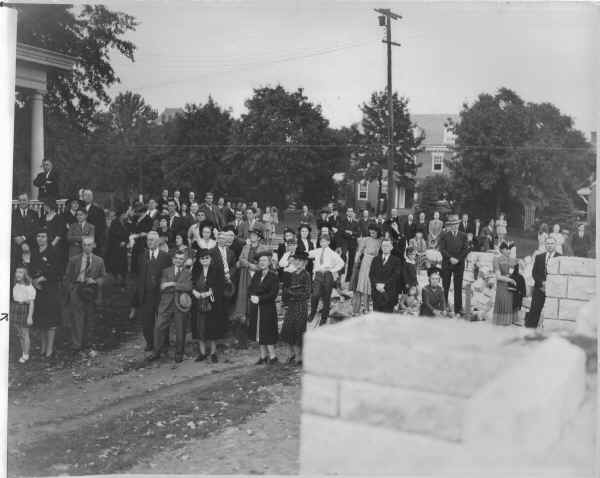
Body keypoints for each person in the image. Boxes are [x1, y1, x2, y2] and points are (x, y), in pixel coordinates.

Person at [148, 250, 193, 363]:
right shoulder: (166, 271)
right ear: (173, 259)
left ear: (184, 261)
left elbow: (188, 287)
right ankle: (156, 352)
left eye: (181, 259)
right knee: (158, 327)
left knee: (180, 330)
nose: (178, 260)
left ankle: (179, 354)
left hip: (181, 305)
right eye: (177, 258)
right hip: (166, 304)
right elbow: (162, 287)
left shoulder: (188, 273)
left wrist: (172, 284)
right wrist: (178, 286)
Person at [64, 236, 107, 351]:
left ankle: (88, 342)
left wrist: (95, 281)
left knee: (90, 317)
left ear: (93, 246)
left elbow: (104, 277)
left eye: (89, 245)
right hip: (77, 288)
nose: (87, 247)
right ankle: (76, 344)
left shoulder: (99, 260)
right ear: (82, 246)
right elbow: (67, 277)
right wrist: (71, 289)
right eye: (84, 245)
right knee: (77, 318)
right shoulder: (74, 260)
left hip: (91, 290)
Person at [132, 231, 172, 351]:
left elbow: (169, 274)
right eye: (148, 240)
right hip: (146, 294)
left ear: (158, 241)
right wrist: (138, 294)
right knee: (147, 321)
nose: (150, 242)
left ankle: (164, 342)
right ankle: (150, 343)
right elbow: (138, 277)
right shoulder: (142, 256)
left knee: (162, 319)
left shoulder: (165, 256)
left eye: (153, 240)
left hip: (160, 294)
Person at [232, 228, 269, 347]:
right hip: (246, 276)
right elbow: (241, 259)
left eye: (254, 235)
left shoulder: (263, 248)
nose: (252, 236)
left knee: (255, 301)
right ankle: (243, 337)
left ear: (258, 237)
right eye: (251, 235)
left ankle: (256, 334)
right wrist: (250, 265)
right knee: (244, 302)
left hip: (258, 276)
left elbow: (265, 262)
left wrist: (256, 266)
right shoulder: (246, 247)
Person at [30, 227, 61, 358]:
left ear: (48, 238)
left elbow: (57, 270)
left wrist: (41, 279)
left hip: (50, 289)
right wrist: (33, 281)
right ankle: (43, 347)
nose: (40, 239)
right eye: (38, 236)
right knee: (41, 320)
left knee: (50, 320)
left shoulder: (53, 251)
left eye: (43, 236)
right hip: (38, 291)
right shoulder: (34, 252)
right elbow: (30, 268)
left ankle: (50, 349)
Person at [248, 251, 280, 364]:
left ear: (269, 262)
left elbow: (273, 293)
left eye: (264, 260)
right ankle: (263, 356)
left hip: (267, 308)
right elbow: (251, 287)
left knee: (267, 330)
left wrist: (260, 298)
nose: (262, 262)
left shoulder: (273, 276)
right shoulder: (257, 274)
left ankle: (273, 356)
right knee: (258, 331)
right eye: (260, 261)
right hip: (256, 307)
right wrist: (252, 296)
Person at [280, 250, 311, 365]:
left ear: (305, 263)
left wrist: (293, 293)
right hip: (291, 305)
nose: (297, 263)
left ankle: (299, 356)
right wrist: (286, 300)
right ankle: (290, 354)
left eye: (300, 261)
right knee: (287, 329)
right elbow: (285, 289)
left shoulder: (306, 275)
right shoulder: (291, 274)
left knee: (298, 330)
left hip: (300, 306)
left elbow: (307, 293)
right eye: (296, 260)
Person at [308, 234, 345, 326]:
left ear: (328, 242)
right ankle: (312, 313)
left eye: (325, 241)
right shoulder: (317, 251)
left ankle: (324, 318)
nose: (323, 243)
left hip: (328, 275)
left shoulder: (332, 253)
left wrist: (332, 270)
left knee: (326, 297)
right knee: (315, 295)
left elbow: (341, 263)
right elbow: (307, 254)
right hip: (318, 275)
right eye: (321, 241)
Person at [525, 236, 560, 329]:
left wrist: (549, 283)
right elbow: (534, 273)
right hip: (539, 288)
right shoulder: (539, 257)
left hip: (553, 290)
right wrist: (542, 283)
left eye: (552, 243)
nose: (550, 245)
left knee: (552, 312)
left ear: (555, 245)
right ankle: (529, 331)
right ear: (545, 245)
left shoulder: (560, 258)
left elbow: (560, 275)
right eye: (548, 243)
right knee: (534, 310)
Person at [438, 214, 469, 315]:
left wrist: (458, 259)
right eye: (453, 224)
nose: (455, 226)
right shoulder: (444, 235)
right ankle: (444, 307)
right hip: (447, 264)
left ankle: (458, 309)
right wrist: (450, 258)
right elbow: (442, 249)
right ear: (450, 225)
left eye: (456, 224)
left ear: (459, 224)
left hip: (459, 265)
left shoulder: (463, 236)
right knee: (445, 286)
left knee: (458, 287)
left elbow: (465, 250)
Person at [351, 224, 381, 316]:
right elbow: (359, 251)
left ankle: (368, 308)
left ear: (377, 232)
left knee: (370, 285)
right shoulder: (366, 239)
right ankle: (362, 308)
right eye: (370, 232)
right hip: (365, 262)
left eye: (374, 233)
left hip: (375, 262)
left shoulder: (380, 240)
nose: (372, 234)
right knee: (363, 285)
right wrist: (356, 261)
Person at [369, 238, 403, 312]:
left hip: (389, 294)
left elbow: (395, 276)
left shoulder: (396, 261)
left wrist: (384, 285)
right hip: (376, 294)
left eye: (387, 246)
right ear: (381, 247)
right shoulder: (375, 259)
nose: (385, 248)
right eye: (383, 246)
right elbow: (371, 274)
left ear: (391, 247)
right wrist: (376, 285)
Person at [11, 266, 36, 363]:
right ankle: (23, 351)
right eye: (17, 272)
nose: (18, 274)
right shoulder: (16, 285)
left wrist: (29, 317)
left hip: (24, 310)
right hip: (16, 308)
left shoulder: (29, 287)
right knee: (20, 333)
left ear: (25, 275)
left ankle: (26, 354)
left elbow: (31, 303)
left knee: (25, 333)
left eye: (21, 272)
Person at [491, 242, 519, 326]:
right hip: (504, 284)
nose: (509, 251)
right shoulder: (497, 259)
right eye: (507, 249)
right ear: (502, 250)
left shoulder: (512, 260)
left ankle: (508, 321)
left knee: (509, 302)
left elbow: (518, 270)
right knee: (504, 300)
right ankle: (503, 321)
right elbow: (498, 276)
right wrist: (510, 279)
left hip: (510, 285)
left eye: (510, 250)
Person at [105, 208, 130, 287]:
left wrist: (125, 242)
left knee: (124, 264)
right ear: (121, 215)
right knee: (116, 264)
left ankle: (123, 280)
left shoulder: (125, 222)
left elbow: (127, 234)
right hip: (115, 248)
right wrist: (119, 242)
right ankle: (116, 280)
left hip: (123, 247)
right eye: (124, 214)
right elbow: (113, 235)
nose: (126, 215)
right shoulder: (114, 223)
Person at [40, 198, 67, 273]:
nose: (45, 207)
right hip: (44, 244)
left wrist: (50, 246)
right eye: (44, 205)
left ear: (51, 205)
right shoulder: (43, 218)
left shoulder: (59, 218)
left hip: (55, 246)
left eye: (46, 205)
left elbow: (59, 234)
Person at [339, 208, 359, 286]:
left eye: (351, 211)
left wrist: (350, 232)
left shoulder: (355, 222)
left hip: (353, 243)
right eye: (349, 211)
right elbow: (341, 231)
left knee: (352, 260)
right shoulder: (343, 221)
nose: (350, 213)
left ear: (353, 213)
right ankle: (341, 274)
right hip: (345, 242)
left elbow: (357, 233)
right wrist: (350, 234)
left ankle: (348, 278)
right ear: (346, 213)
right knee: (343, 256)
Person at [82, 190, 106, 255]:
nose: (87, 197)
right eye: (85, 195)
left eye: (89, 195)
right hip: (81, 240)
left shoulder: (98, 210)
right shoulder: (80, 209)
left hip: (94, 240)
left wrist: (96, 240)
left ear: (92, 197)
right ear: (83, 197)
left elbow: (102, 227)